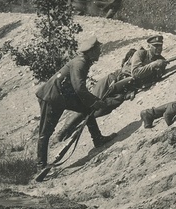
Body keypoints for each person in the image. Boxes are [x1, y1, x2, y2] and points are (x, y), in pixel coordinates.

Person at [35, 37, 116, 170]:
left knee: (86, 109)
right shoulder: (80, 63)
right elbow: (79, 88)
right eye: (97, 50)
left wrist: (91, 103)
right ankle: (41, 165)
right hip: (52, 97)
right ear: (90, 52)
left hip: (62, 96)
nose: (100, 53)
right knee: (46, 131)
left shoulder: (84, 61)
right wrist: (95, 101)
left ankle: (97, 139)